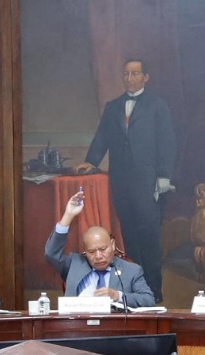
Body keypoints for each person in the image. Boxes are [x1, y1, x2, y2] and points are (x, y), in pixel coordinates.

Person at [73, 59, 176, 302]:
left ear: (146, 77)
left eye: (135, 73)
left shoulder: (157, 106)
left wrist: (164, 176)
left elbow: (167, 142)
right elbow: (102, 137)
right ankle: (135, 289)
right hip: (121, 181)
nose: (129, 78)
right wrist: (91, 161)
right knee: (130, 235)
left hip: (148, 182)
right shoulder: (113, 106)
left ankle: (154, 291)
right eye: (126, 74)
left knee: (149, 237)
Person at [45, 191, 156, 308]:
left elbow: (148, 299)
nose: (98, 256)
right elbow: (51, 253)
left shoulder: (131, 270)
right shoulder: (74, 264)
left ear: (112, 245)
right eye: (91, 252)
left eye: (103, 249)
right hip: (78, 319)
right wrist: (68, 215)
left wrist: (117, 295)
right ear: (85, 251)